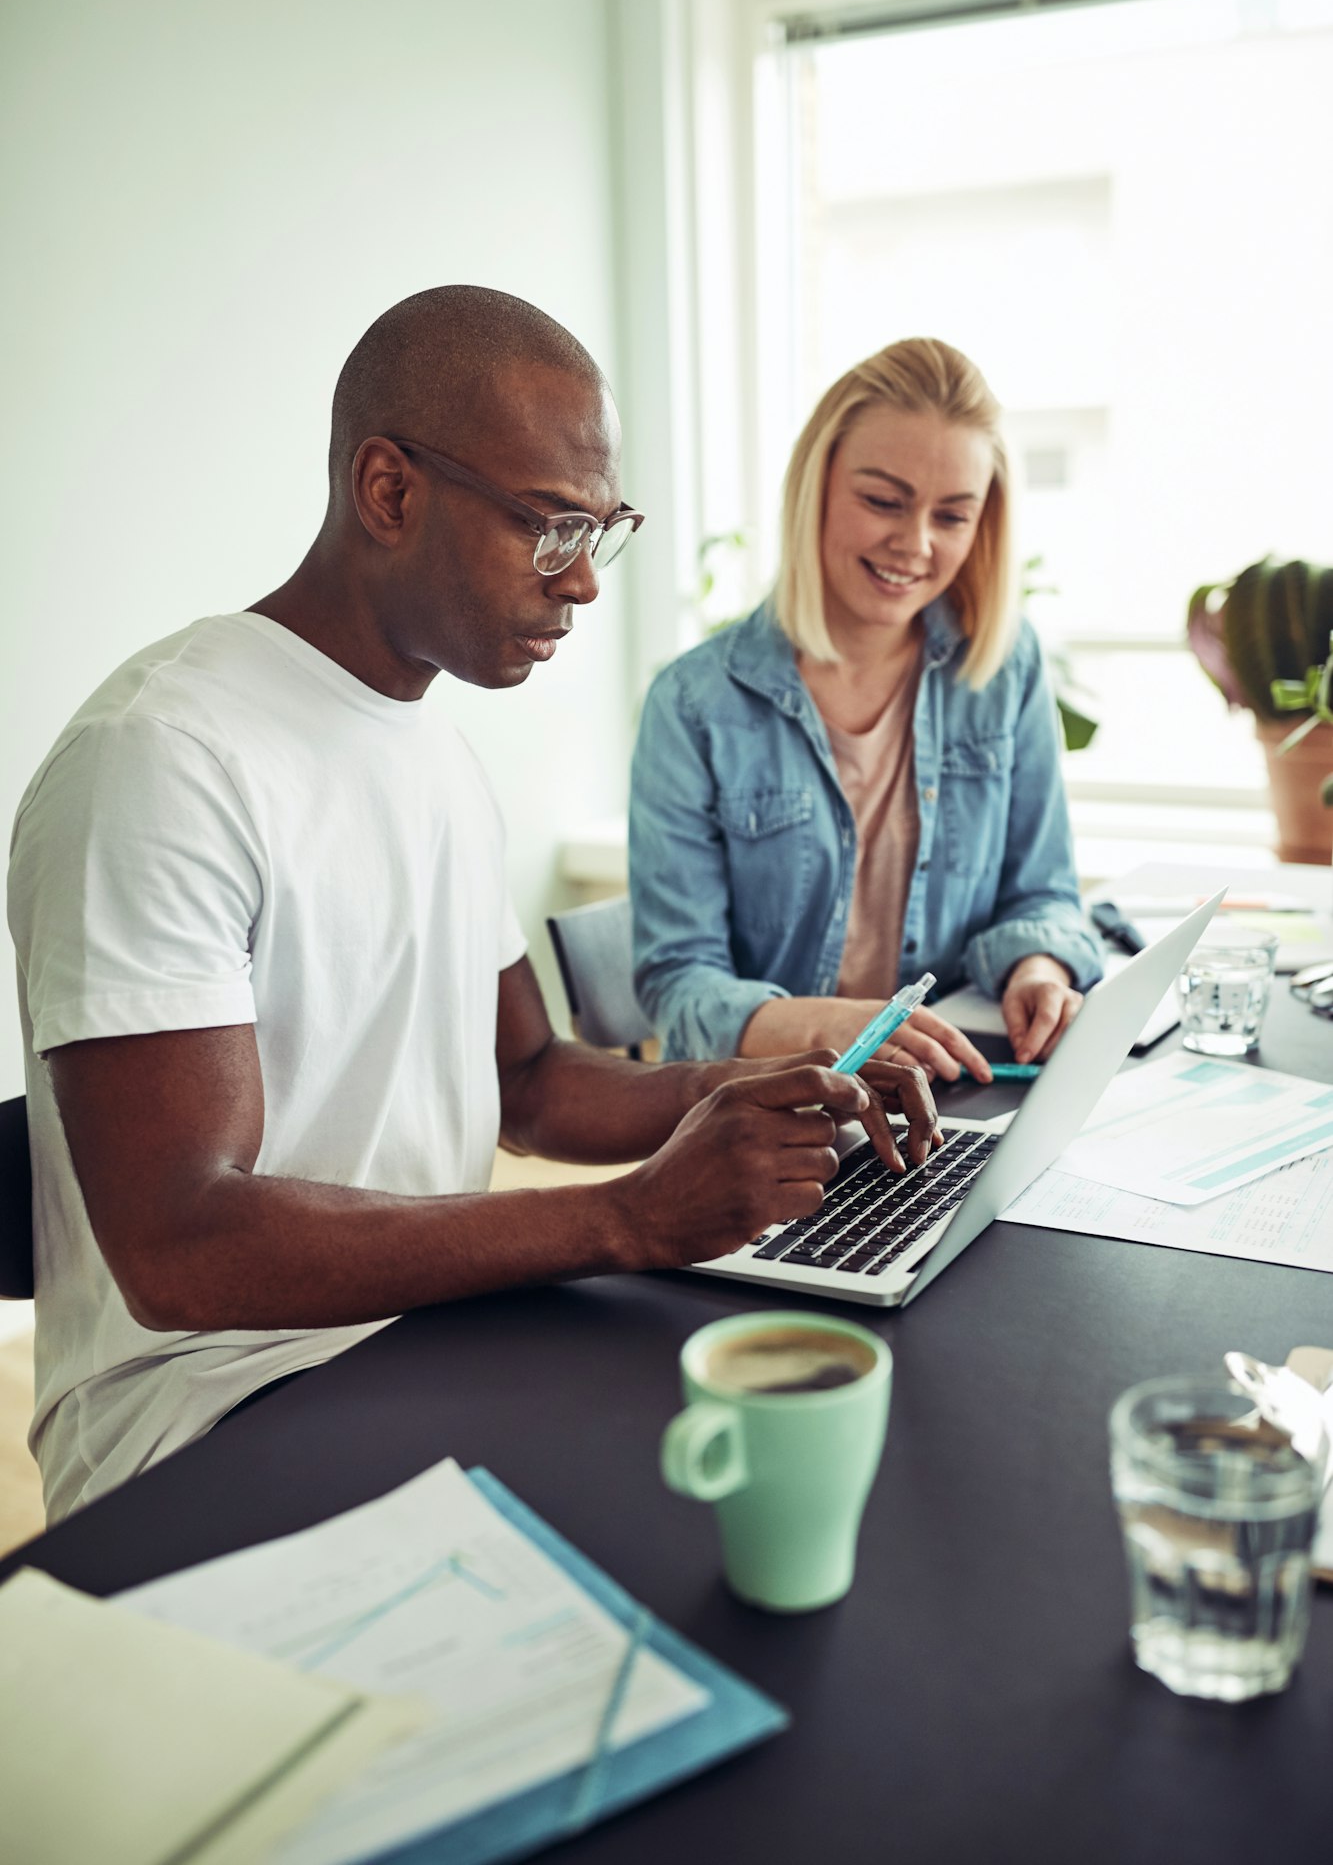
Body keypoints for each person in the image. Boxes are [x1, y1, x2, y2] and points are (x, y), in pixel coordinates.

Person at [7, 287, 942, 1523]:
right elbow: (184, 1247)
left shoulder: (432, 749)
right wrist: (626, 1216)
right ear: (388, 490)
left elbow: (530, 1078)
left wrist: (736, 1091)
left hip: (422, 1340)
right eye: (551, 526)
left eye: (599, 532)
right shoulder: (163, 757)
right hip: (208, 1413)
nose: (584, 586)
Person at [629, 335, 1102, 1078]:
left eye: (951, 516)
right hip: (774, 1115)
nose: (913, 544)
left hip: (954, 1096)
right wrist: (843, 1027)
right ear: (815, 488)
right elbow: (680, 987)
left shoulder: (1005, 667)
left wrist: (1038, 968)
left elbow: (1039, 891)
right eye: (883, 501)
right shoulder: (693, 704)